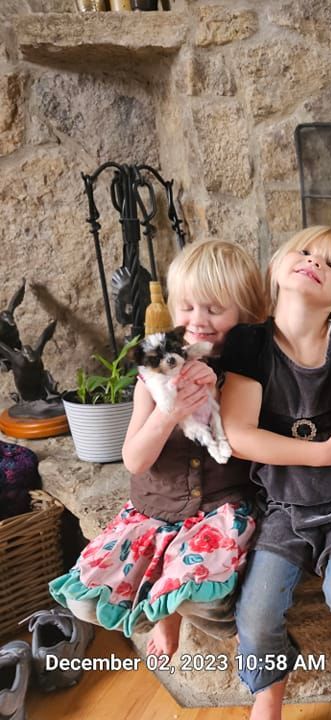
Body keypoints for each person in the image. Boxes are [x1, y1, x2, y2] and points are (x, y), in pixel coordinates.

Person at [49, 240, 269, 657]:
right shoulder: (154, 373)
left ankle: (221, 619)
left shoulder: (249, 372)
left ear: (246, 313)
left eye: (215, 309)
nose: (198, 320)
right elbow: (134, 459)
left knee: (197, 591)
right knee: (84, 599)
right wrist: (169, 411)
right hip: (154, 508)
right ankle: (159, 613)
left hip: (219, 509)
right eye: (187, 307)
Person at [219, 226, 331, 720]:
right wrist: (322, 454)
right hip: (285, 502)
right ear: (279, 264)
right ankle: (268, 695)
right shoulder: (251, 343)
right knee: (256, 614)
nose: (313, 263)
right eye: (304, 253)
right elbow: (239, 433)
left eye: (330, 263)